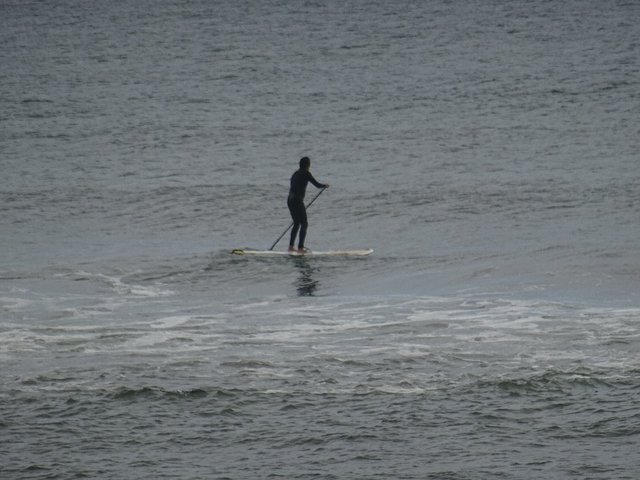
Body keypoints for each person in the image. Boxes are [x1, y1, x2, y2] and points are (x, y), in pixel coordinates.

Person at [287, 156, 329, 253]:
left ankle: (290, 247)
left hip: (290, 200)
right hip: (297, 201)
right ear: (308, 165)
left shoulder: (295, 174)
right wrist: (325, 185)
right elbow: (317, 185)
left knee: (296, 223)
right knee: (304, 223)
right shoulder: (306, 173)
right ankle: (300, 248)